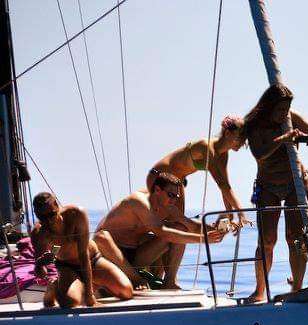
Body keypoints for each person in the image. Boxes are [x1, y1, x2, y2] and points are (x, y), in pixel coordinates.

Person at [243, 83, 308, 303]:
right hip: (268, 184)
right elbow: (259, 153)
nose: (283, 114)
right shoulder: (254, 124)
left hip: (295, 182)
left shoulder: (290, 117)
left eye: (287, 109)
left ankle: (296, 288)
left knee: (295, 238)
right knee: (267, 240)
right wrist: (283, 140)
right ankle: (259, 290)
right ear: (269, 107)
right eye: (280, 110)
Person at [94, 172, 225, 290]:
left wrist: (218, 231)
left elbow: (192, 226)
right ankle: (136, 279)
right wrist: (203, 239)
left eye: (176, 196)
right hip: (109, 255)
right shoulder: (138, 201)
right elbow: (161, 231)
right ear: (157, 190)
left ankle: (169, 282)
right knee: (102, 237)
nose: (173, 200)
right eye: (170, 195)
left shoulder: (168, 207)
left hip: (134, 256)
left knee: (179, 227)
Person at [30, 192, 133, 308]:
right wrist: (40, 263)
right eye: (43, 218)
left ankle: (87, 286)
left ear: (56, 205)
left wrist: (90, 295)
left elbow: (84, 255)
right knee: (69, 303)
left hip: (92, 260)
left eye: (51, 215)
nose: (49, 221)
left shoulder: (76, 214)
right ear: (36, 214)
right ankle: (54, 286)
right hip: (67, 266)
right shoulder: (39, 233)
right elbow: (40, 273)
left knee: (126, 292)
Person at [146, 115, 248, 223]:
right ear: (227, 133)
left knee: (179, 225)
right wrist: (241, 213)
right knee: (168, 225)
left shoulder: (223, 155)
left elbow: (225, 187)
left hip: (176, 182)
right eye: (239, 138)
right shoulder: (207, 147)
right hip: (159, 177)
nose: (242, 143)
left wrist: (230, 215)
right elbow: (222, 185)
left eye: (244, 140)